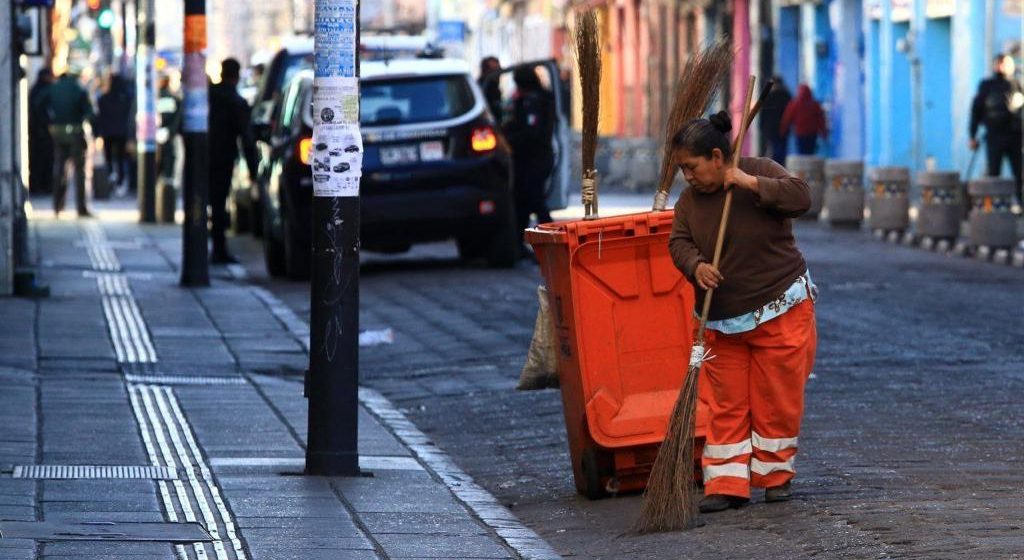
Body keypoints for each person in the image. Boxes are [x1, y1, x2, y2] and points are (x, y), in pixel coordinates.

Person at [668, 111, 817, 513]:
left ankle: (775, 476)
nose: (688, 176)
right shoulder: (688, 202)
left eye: (692, 167)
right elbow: (678, 242)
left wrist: (751, 184)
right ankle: (727, 484)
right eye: (682, 169)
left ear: (717, 157)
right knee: (726, 404)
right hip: (719, 320)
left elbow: (802, 197)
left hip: (779, 309)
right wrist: (696, 265)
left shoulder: (758, 171)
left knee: (776, 399)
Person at [208, 58, 258, 264]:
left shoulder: (209, 96)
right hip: (223, 158)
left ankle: (210, 248)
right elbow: (246, 139)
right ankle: (218, 249)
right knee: (219, 205)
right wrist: (254, 171)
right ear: (236, 76)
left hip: (203, 156)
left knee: (208, 202)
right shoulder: (236, 102)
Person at [503, 67, 555, 256]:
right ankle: (520, 244)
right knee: (523, 202)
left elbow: (532, 132)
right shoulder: (541, 98)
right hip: (534, 158)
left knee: (535, 201)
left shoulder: (532, 101)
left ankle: (553, 243)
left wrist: (508, 139)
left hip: (533, 158)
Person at [969, 53, 1023, 201]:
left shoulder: (1016, 84)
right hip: (995, 136)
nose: (1003, 66)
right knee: (994, 173)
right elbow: (976, 110)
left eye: (1006, 63)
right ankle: (992, 206)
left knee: (1019, 173)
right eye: (1000, 63)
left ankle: (1021, 204)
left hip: (1015, 136)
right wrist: (972, 136)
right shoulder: (987, 85)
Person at [43, 69, 95, 217]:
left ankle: (57, 206)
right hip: (75, 133)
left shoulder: (53, 88)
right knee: (80, 172)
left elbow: (39, 104)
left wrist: (50, 123)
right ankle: (81, 208)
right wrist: (83, 122)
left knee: (59, 169)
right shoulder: (79, 88)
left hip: (58, 133)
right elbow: (90, 112)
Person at [96, 73, 134, 192]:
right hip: (121, 132)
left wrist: (99, 133)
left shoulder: (103, 98)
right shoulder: (125, 99)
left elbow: (100, 117)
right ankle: (120, 181)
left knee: (108, 157)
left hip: (107, 132)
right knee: (121, 158)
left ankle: (110, 176)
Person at [779, 84, 827, 156]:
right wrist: (824, 133)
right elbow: (821, 120)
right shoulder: (815, 105)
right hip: (812, 134)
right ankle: (810, 166)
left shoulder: (795, 104)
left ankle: (803, 167)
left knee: (802, 154)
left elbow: (787, 118)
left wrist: (783, 131)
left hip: (800, 134)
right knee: (810, 154)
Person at [28, 68, 54, 196]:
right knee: (41, 160)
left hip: (40, 131)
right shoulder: (44, 91)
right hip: (41, 131)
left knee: (43, 160)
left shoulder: (37, 90)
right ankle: (41, 185)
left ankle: (42, 185)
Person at [758, 77, 791, 164]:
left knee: (775, 148)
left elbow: (763, 114)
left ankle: (776, 167)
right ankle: (781, 166)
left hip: (771, 128)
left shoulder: (768, 97)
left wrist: (762, 126)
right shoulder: (786, 96)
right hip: (783, 128)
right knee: (781, 148)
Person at [157, 74, 182, 186]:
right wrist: (170, 131)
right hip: (168, 135)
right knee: (169, 159)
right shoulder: (174, 99)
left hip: (157, 135)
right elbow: (177, 119)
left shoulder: (154, 98)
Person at [478, 56, 503, 123]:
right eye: (494, 69)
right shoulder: (485, 85)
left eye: (499, 69)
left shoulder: (492, 85)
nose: (498, 73)